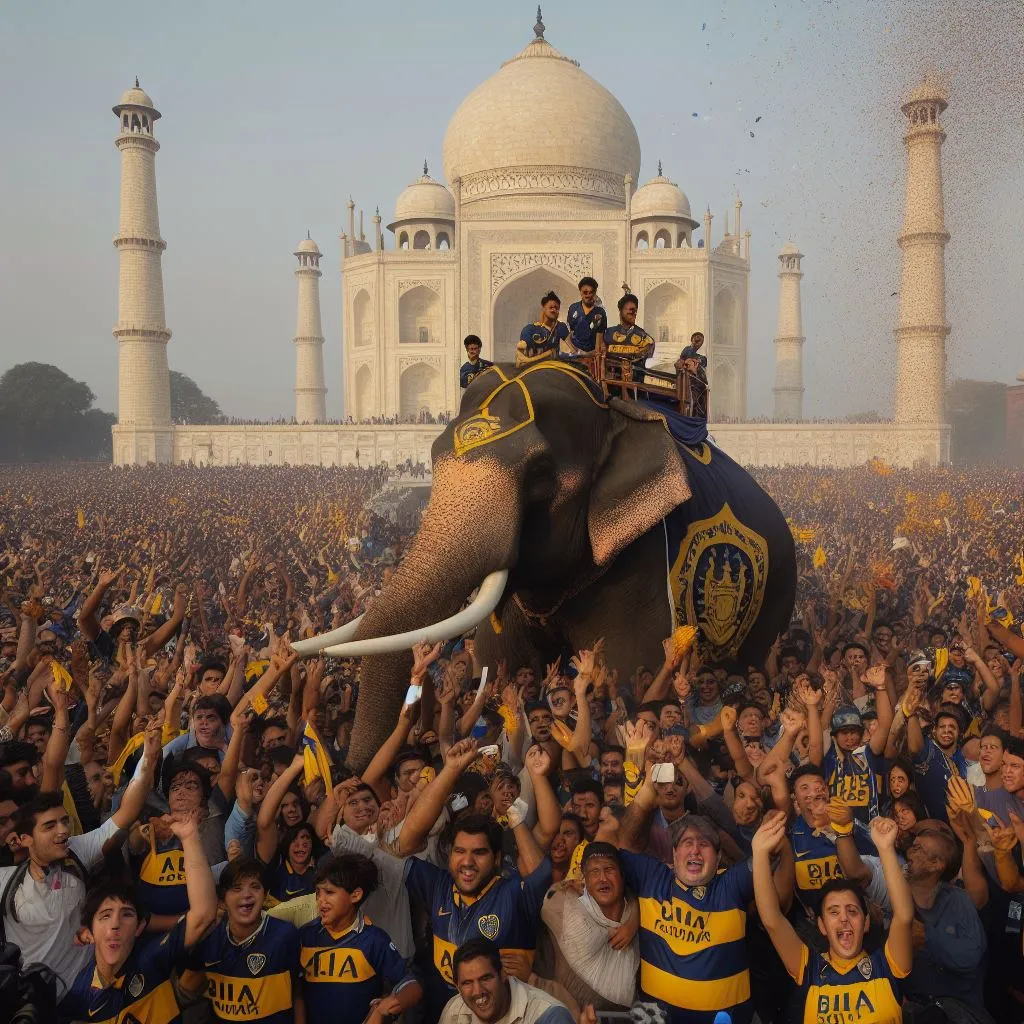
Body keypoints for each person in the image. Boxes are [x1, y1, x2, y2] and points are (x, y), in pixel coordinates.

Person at [0, 715, 161, 991]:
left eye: (64, 821)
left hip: (89, 990)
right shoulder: (5, 880)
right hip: (36, 1000)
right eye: (50, 826)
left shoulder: (77, 853)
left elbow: (126, 813)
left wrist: (148, 757)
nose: (63, 831)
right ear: (24, 839)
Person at [752, 811, 914, 1024]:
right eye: (833, 912)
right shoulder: (810, 969)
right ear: (822, 926)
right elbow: (772, 920)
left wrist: (885, 849)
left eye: (853, 911)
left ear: (866, 923)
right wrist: (760, 854)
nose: (844, 918)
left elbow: (903, 916)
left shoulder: (886, 967)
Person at [58, 808, 218, 1022]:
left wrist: (189, 837)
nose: (115, 924)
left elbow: (203, 914)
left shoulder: (152, 959)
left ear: (140, 927)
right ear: (88, 933)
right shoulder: (78, 993)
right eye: (105, 916)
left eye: (126, 915)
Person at [297, 853, 422, 1024]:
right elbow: (295, 993)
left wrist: (384, 1008)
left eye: (329, 892)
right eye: (318, 892)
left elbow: (412, 986)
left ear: (355, 895)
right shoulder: (305, 936)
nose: (320, 900)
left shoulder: (375, 940)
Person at [192, 856, 301, 1024]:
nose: (247, 894)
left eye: (255, 887)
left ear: (265, 895)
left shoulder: (285, 935)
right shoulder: (208, 938)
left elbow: (298, 994)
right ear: (222, 900)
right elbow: (187, 991)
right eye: (237, 888)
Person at [440, 939, 574, 1024]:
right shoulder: (454, 1011)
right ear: (457, 987)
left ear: (503, 974)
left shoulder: (549, 1017)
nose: (478, 991)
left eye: (485, 978)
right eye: (467, 983)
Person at [603, 294, 654, 383]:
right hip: (609, 386)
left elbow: (641, 358)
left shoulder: (644, 338)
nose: (634, 313)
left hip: (635, 389)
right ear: (621, 311)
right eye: (630, 310)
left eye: (635, 311)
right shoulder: (608, 334)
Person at [518, 292, 570, 367]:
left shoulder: (561, 327)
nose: (554, 310)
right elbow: (521, 360)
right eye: (551, 307)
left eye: (557, 308)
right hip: (533, 371)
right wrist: (550, 354)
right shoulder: (529, 329)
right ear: (543, 308)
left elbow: (572, 349)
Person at [565, 278, 607, 356]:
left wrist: (595, 354)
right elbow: (571, 333)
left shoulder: (600, 312)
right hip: (575, 353)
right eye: (585, 292)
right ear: (580, 292)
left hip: (592, 353)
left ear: (595, 293)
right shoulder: (573, 308)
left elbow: (599, 338)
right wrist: (574, 351)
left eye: (591, 292)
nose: (588, 295)